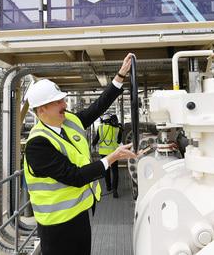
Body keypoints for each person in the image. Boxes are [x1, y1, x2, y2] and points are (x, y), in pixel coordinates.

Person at [23, 53, 137, 255]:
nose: (64, 105)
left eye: (62, 100)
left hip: (80, 213)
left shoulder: (69, 121)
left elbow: (97, 107)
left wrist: (120, 76)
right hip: (56, 225)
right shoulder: (37, 145)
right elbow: (74, 177)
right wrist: (111, 158)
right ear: (41, 110)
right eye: (58, 102)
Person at [92, 113, 122, 198]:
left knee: (106, 169)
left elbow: (95, 140)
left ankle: (108, 187)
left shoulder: (100, 128)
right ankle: (115, 190)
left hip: (103, 153)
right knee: (115, 170)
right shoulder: (117, 129)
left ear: (103, 120)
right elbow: (119, 141)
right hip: (114, 153)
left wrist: (92, 145)